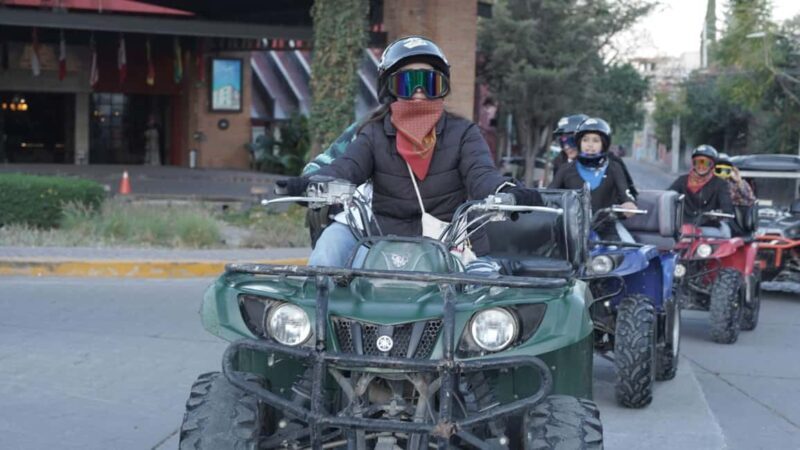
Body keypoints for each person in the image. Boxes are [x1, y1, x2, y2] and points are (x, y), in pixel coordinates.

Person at [276, 36, 544, 268]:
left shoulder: (464, 133)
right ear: (389, 89)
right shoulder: (374, 132)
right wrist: (311, 184)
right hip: (382, 239)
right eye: (407, 83)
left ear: (442, 87)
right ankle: (318, 324)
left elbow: (481, 173)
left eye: (428, 82)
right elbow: (346, 167)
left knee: (483, 294)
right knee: (328, 250)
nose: (418, 93)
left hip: (445, 241)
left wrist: (506, 190)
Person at [549, 117, 638, 241]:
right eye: (585, 140)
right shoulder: (564, 168)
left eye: (596, 141)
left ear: (604, 144)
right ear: (579, 142)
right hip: (570, 229)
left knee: (630, 254)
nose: (590, 145)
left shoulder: (614, 166)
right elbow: (550, 195)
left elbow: (627, 196)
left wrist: (628, 206)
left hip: (606, 229)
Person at [551, 113, 638, 198]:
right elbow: (554, 193)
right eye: (562, 141)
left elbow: (630, 194)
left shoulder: (612, 162)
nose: (567, 147)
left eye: (571, 141)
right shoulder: (560, 162)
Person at [669, 145, 734, 237]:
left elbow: (727, 207)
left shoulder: (720, 184)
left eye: (706, 163)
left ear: (712, 165)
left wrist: (717, 214)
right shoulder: (682, 180)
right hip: (682, 227)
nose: (701, 166)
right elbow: (668, 196)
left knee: (726, 234)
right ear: (693, 164)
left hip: (708, 227)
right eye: (698, 162)